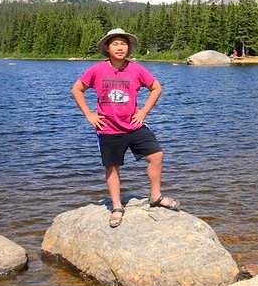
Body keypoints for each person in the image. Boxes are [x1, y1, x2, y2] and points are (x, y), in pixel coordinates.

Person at [71, 28, 180, 228]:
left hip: (133, 125)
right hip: (108, 128)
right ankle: (117, 206)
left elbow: (156, 88)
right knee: (112, 167)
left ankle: (155, 196)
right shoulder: (97, 70)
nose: (120, 47)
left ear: (128, 47)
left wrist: (144, 112)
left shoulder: (136, 69)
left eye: (123, 43)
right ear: (107, 48)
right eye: (115, 44)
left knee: (156, 155)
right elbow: (77, 89)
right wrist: (89, 115)